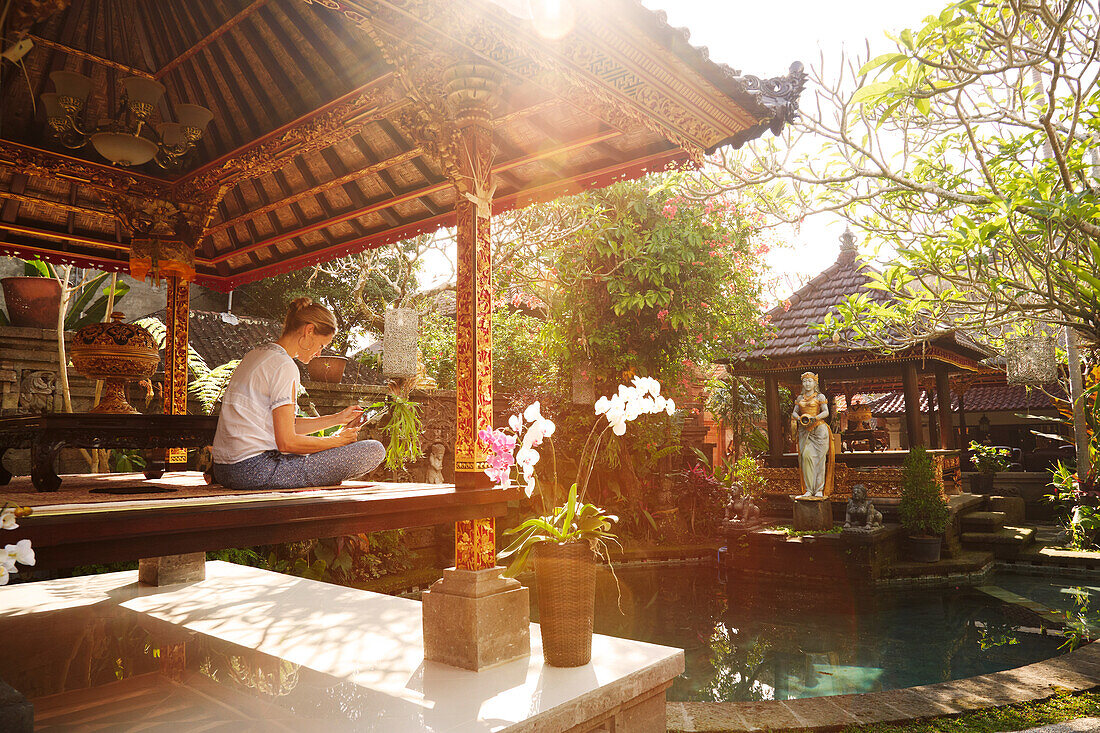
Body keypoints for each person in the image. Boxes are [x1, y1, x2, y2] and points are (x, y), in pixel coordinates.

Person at [211, 297, 385, 490]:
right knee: (373, 450)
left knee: (319, 455)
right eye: (321, 345)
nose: (319, 354)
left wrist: (337, 419)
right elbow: (287, 442)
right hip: (253, 471)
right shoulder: (284, 365)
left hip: (225, 469)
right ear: (309, 330)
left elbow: (286, 426)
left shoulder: (256, 354)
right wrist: (336, 441)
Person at [791, 371, 830, 497]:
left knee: (820, 460)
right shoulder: (799, 398)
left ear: (815, 383)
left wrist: (815, 418)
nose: (807, 384)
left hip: (819, 431)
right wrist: (799, 419)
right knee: (806, 457)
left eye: (810, 381)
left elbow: (826, 412)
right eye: (805, 381)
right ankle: (809, 489)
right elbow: (794, 413)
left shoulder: (820, 397)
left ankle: (819, 489)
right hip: (804, 430)